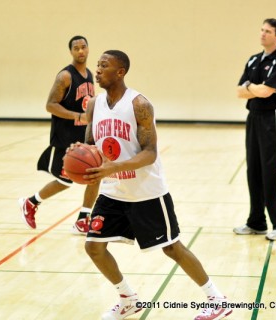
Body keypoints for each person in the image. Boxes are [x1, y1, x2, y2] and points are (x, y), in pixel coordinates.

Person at [81, 50, 231, 320]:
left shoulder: (139, 104)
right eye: (97, 65)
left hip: (146, 192)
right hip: (113, 191)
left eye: (104, 65)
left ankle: (216, 298)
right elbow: (91, 146)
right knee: (94, 246)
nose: (98, 70)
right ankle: (128, 299)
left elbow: (149, 152)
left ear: (121, 71)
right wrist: (79, 158)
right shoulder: (94, 105)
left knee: (172, 247)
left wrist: (114, 167)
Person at [18, 35, 97, 234]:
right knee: (65, 181)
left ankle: (83, 219)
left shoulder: (88, 73)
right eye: (76, 48)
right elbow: (50, 105)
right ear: (71, 52)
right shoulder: (65, 76)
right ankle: (30, 202)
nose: (80, 51)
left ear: (88, 49)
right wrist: (78, 117)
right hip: (65, 136)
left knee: (96, 174)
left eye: (83, 47)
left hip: (82, 136)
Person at [234, 18, 276, 241]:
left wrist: (251, 87)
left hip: (274, 119)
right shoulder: (253, 60)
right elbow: (240, 91)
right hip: (254, 117)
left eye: (268, 31)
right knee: (254, 170)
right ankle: (256, 221)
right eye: (261, 30)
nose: (262, 34)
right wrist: (253, 88)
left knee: (274, 172)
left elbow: (268, 92)